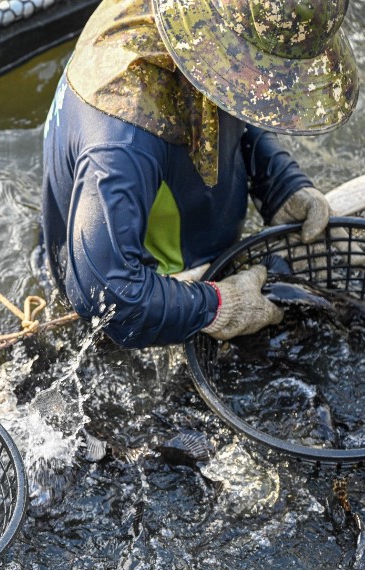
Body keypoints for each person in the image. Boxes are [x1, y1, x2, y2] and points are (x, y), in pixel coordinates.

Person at [41, 0, 359, 348]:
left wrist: (281, 184)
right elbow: (104, 293)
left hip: (189, 232)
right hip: (155, 295)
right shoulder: (122, 141)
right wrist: (218, 306)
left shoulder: (192, 21)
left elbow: (235, 103)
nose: (275, 87)